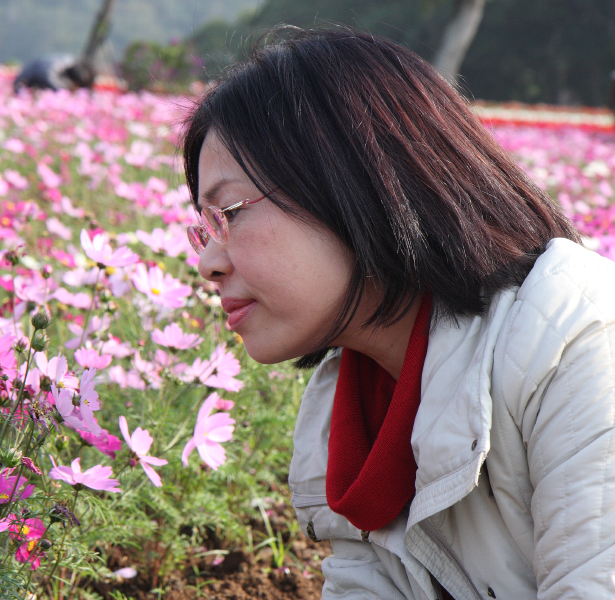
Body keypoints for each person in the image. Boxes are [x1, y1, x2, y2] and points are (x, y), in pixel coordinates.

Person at [182, 28, 615, 599]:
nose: (207, 264)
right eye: (203, 226)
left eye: (230, 212)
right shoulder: (346, 417)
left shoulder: (575, 337)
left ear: (353, 181)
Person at [13, 54, 94, 92]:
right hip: (25, 84)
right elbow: (48, 76)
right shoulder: (65, 64)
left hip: (28, 79)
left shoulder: (69, 61)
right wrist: (64, 91)